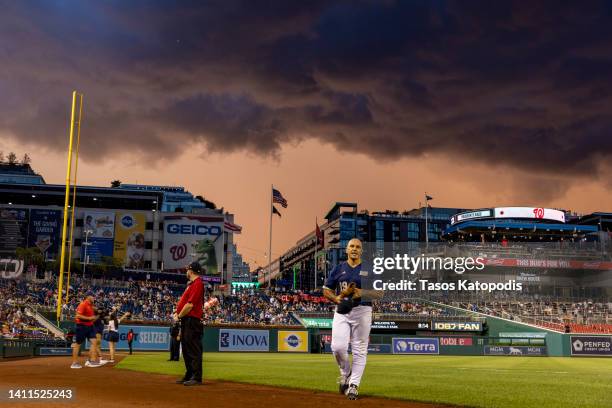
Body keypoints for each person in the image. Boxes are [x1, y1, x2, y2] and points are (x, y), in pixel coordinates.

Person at [323, 238, 382, 400]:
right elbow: (326, 290)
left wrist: (361, 293)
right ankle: (345, 372)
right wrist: (336, 299)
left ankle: (353, 385)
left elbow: (380, 292)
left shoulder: (370, 268)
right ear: (347, 250)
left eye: (358, 247)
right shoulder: (339, 268)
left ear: (361, 250)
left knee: (359, 350)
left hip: (363, 310)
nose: (355, 249)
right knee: (337, 347)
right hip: (342, 310)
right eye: (352, 246)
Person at [172, 262, 218, 386]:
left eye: (187, 269)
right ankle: (189, 374)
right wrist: (179, 314)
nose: (186, 271)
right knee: (186, 349)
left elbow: (190, 304)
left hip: (192, 321)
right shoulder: (192, 284)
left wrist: (179, 315)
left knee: (194, 349)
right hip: (187, 320)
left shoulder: (197, 283)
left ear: (191, 271)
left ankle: (196, 377)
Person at [70, 291, 104, 368]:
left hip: (90, 326)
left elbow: (93, 315)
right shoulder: (83, 304)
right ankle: (74, 363)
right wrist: (89, 318)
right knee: (78, 344)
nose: (94, 298)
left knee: (94, 342)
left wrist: (97, 314)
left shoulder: (90, 305)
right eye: (93, 296)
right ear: (88, 296)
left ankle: (91, 361)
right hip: (81, 326)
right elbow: (78, 316)